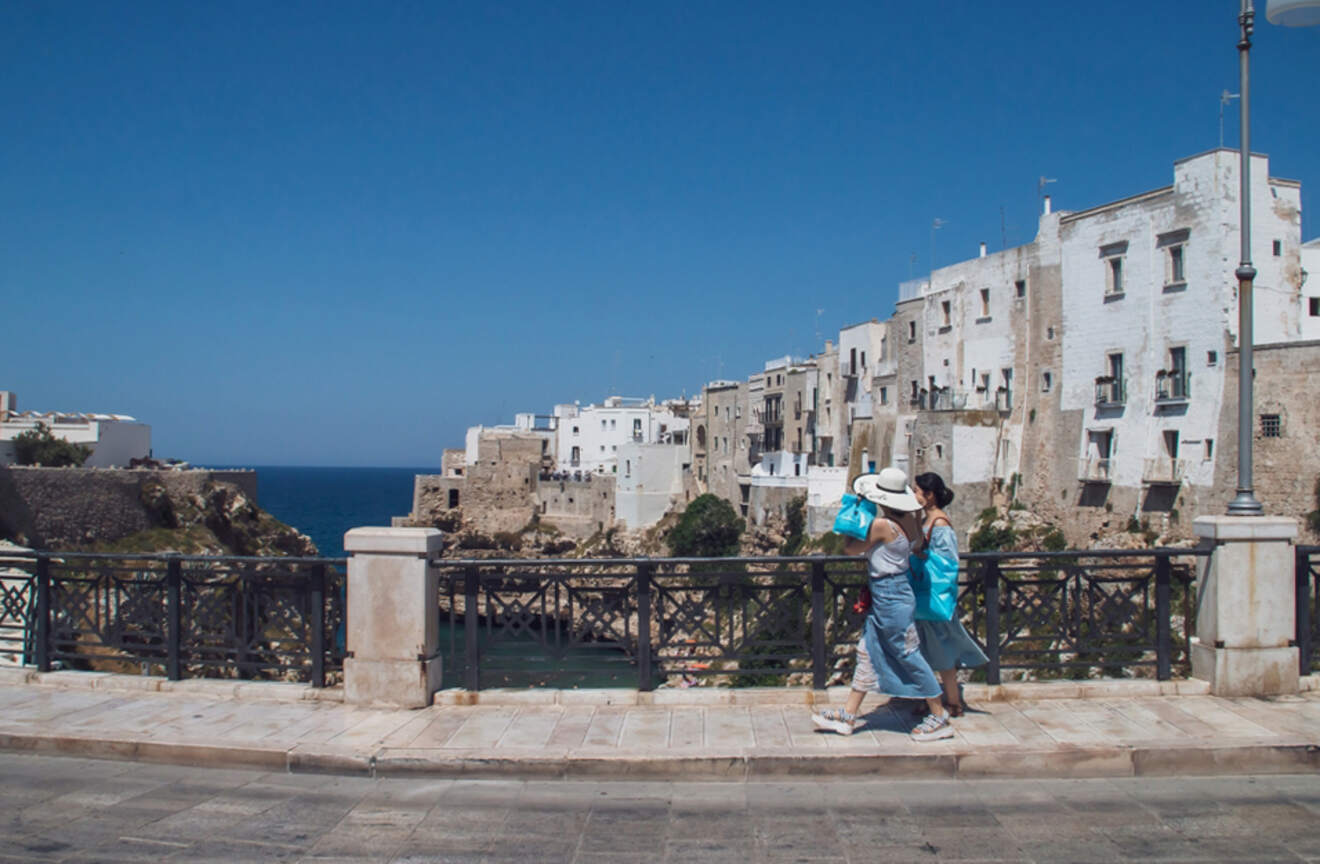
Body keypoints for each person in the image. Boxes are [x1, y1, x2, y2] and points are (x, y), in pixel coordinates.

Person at [811, 467, 954, 742]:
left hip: (890, 595)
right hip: (895, 591)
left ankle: (939, 715)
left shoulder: (882, 526)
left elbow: (850, 548)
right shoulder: (912, 521)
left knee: (908, 653)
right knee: (867, 651)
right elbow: (918, 546)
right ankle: (848, 715)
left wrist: (853, 516)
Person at [912, 471, 988, 716]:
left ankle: (951, 702)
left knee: (940, 649)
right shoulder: (927, 520)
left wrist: (922, 554)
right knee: (924, 648)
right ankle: (935, 699)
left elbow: (948, 563)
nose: (914, 494)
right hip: (925, 595)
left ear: (929, 495)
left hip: (933, 596)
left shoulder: (940, 524)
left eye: (917, 490)